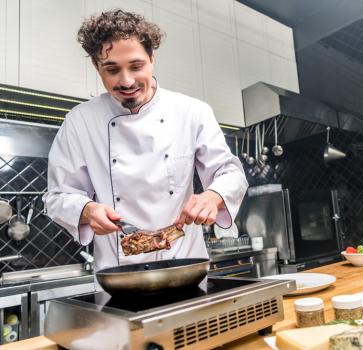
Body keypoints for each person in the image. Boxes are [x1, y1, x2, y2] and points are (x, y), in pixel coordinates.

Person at [43, 9, 248, 272]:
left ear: (152, 58)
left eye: (136, 66)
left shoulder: (192, 111)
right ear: (97, 67)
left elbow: (230, 172)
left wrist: (213, 195)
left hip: (186, 263)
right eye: (112, 69)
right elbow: (57, 196)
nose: (126, 81)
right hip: (119, 274)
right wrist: (86, 209)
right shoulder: (80, 120)